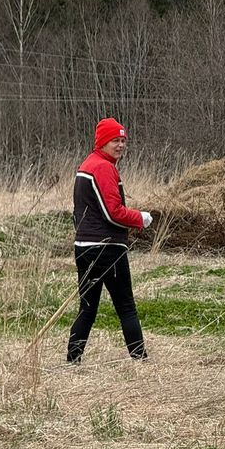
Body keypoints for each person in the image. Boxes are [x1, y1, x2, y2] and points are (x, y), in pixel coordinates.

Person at [66, 118, 153, 364]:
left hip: (85, 246)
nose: (120, 145)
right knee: (126, 306)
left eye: (123, 140)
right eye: (115, 140)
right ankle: (140, 359)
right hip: (106, 249)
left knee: (88, 307)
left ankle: (73, 360)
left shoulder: (88, 164)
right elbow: (113, 212)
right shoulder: (103, 168)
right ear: (102, 142)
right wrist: (140, 218)